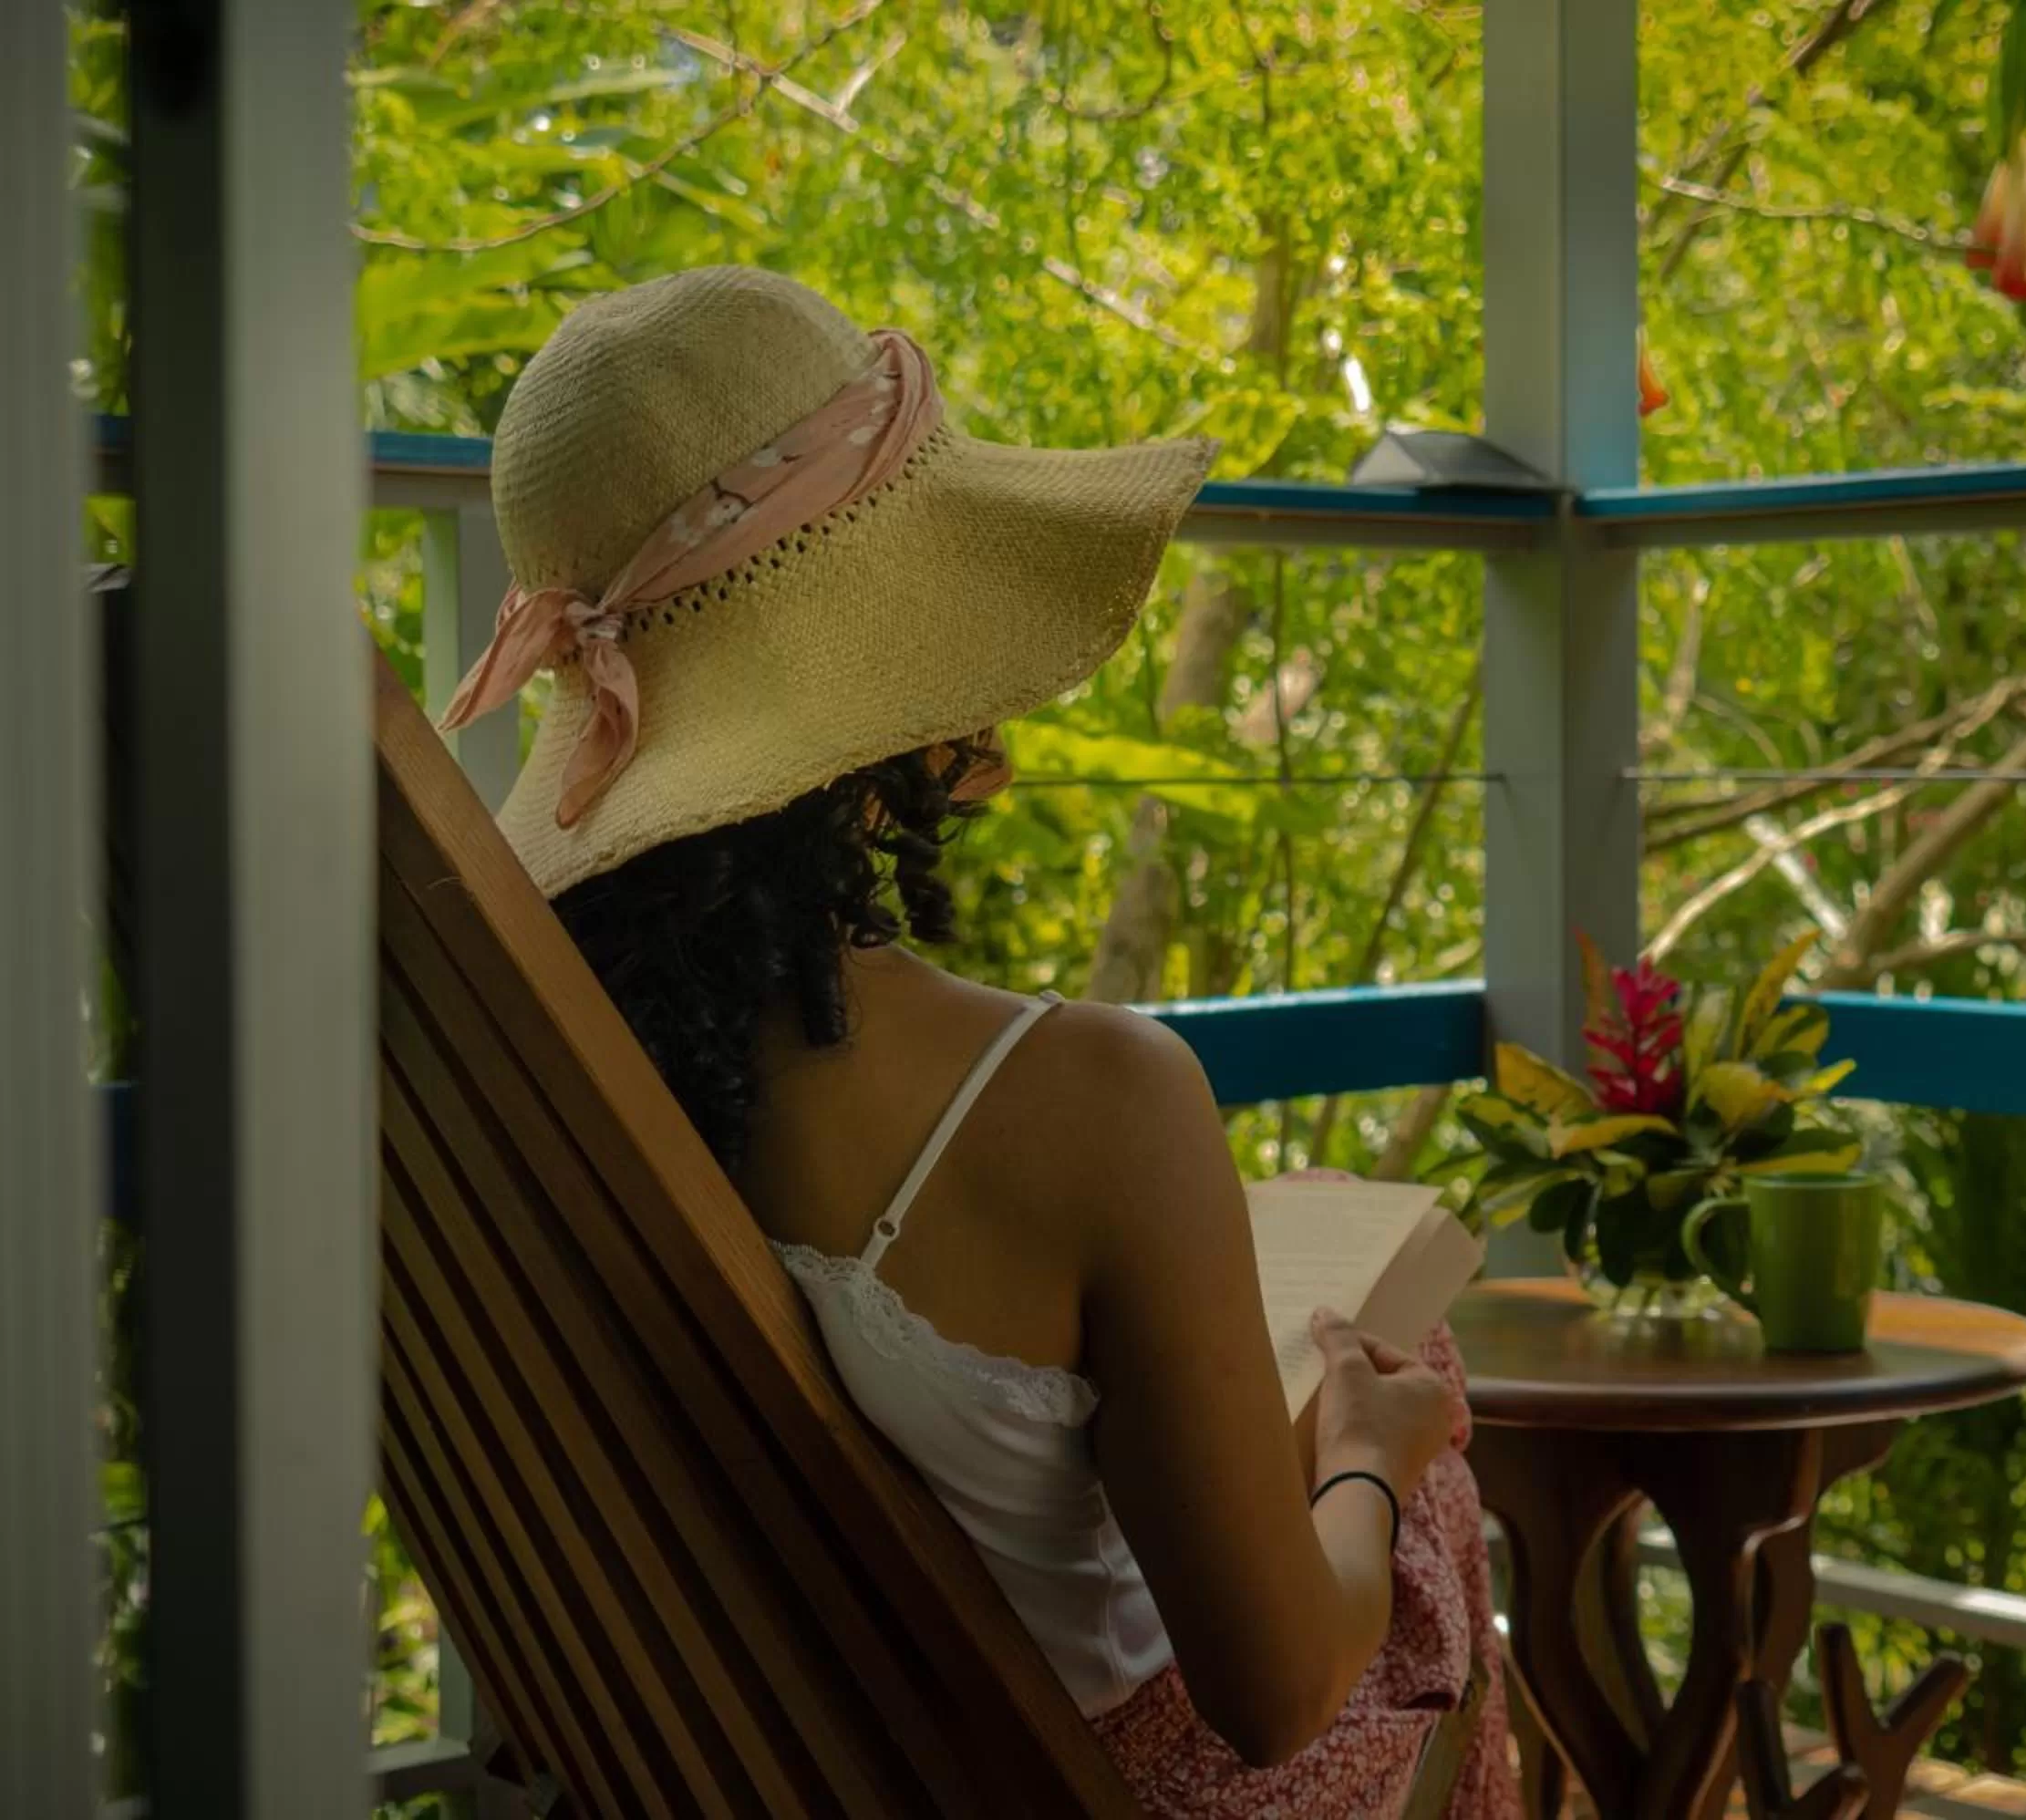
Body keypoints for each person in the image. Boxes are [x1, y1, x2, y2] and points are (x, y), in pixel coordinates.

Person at [437, 264, 1517, 1817]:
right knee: (1427, 1473)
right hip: (1072, 1781)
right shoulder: (1086, 1103)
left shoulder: (539, 1101)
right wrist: (1368, 1452)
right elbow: (1274, 1692)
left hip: (761, 1775)